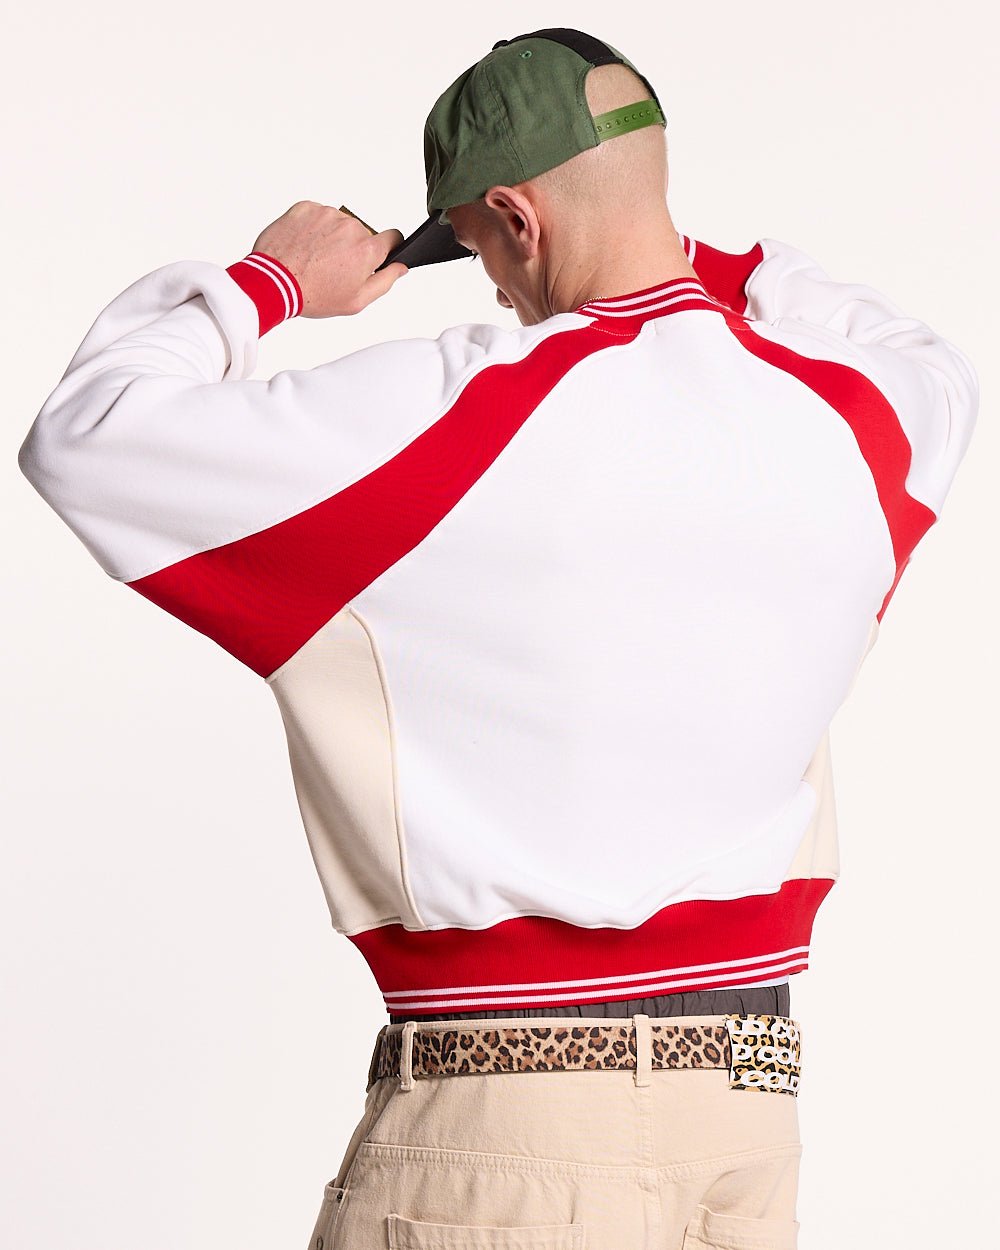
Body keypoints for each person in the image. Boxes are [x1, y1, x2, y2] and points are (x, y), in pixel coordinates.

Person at [17, 26, 978, 1250]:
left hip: (514, 1123)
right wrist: (673, 257)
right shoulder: (861, 413)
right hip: (746, 1110)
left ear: (518, 218)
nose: (491, 287)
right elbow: (919, 354)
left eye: (475, 248)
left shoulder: (446, 428)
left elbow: (87, 435)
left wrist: (270, 281)